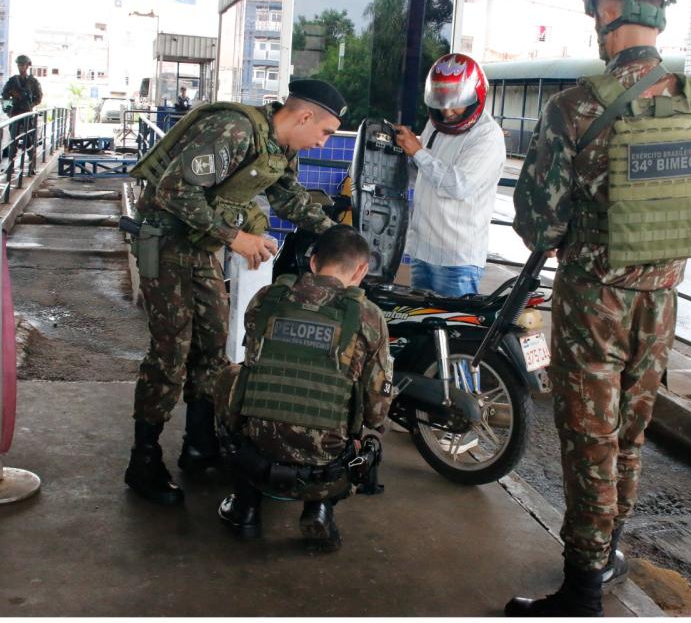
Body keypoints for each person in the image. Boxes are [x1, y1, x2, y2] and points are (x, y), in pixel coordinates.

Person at [505, 0, 691, 616]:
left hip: (594, 304)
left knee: (589, 442)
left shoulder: (576, 105)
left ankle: (580, 591)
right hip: (661, 302)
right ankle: (607, 553)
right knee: (630, 436)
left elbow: (539, 223)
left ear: (608, 8)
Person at [124, 79, 348, 506]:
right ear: (303, 116)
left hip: (200, 246)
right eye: (324, 132)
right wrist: (236, 237)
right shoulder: (236, 129)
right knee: (171, 353)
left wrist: (341, 238)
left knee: (212, 346)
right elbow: (174, 190)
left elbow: (291, 200)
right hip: (168, 242)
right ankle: (144, 460)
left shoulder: (280, 149)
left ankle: (199, 443)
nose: (323, 143)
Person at [215, 225, 393, 551]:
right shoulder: (370, 317)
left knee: (231, 375)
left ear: (312, 262)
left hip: (256, 453)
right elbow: (376, 407)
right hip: (327, 464)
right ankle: (320, 508)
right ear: (362, 270)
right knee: (369, 414)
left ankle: (247, 509)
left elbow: (256, 361)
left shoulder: (268, 298)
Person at [393, 53, 506, 297]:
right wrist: (402, 155)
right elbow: (424, 173)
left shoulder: (486, 136)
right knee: (419, 329)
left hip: (457, 260)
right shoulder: (435, 125)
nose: (448, 111)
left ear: (476, 96)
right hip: (423, 250)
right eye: (442, 101)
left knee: (452, 331)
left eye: (456, 102)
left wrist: (418, 152)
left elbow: (458, 186)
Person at [1, 54, 43, 172]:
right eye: (19, 65)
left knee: (29, 141)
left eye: (23, 65)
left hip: (27, 114)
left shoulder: (33, 82)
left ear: (27, 66)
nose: (21, 67)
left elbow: (39, 97)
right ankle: (10, 166)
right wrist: (9, 108)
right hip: (15, 113)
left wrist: (30, 105)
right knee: (13, 141)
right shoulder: (13, 81)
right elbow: (5, 96)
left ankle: (31, 166)